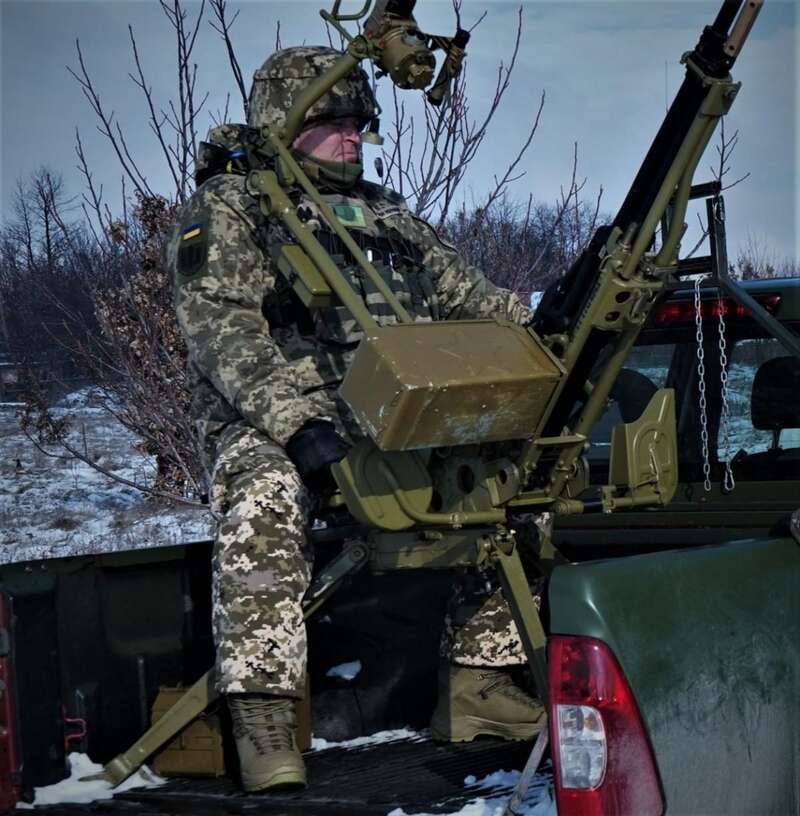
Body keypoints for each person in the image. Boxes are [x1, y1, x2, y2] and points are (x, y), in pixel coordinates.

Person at [169, 46, 544, 794]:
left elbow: (472, 298)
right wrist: (301, 425)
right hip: (276, 421)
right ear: (287, 121)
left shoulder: (388, 214)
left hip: (389, 416)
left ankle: (478, 684)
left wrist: (550, 322)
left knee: (515, 477)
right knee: (264, 494)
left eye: (360, 121)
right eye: (334, 119)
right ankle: (266, 715)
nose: (354, 134)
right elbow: (222, 330)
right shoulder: (233, 207)